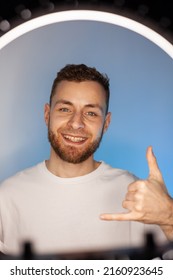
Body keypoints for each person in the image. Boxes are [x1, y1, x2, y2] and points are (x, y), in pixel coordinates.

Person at [0, 64, 172, 257]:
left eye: (90, 113)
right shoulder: (7, 197)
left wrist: (169, 216)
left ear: (106, 123)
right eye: (65, 109)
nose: (76, 123)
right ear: (47, 114)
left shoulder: (134, 192)